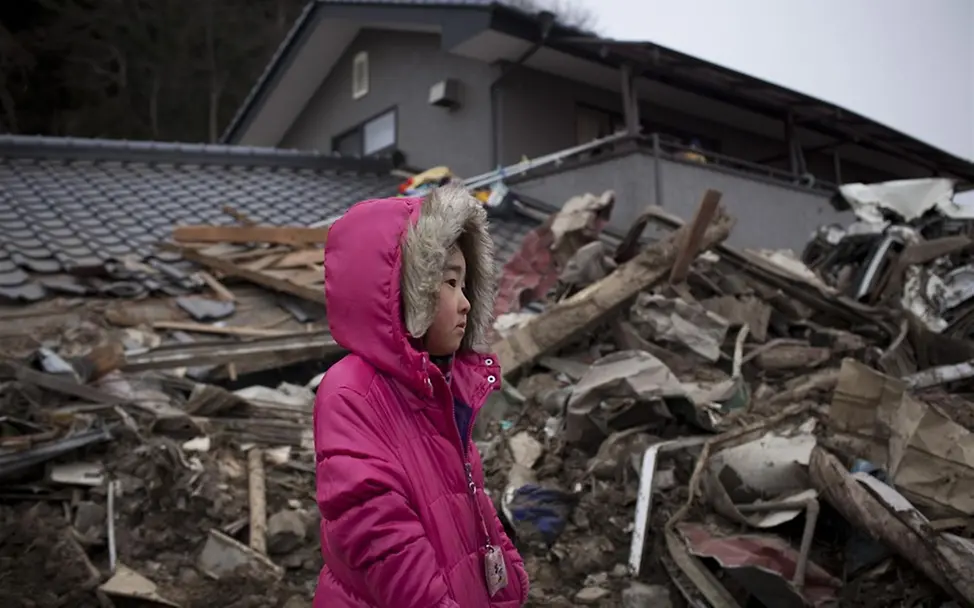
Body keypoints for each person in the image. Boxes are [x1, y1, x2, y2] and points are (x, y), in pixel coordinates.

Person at [312, 183, 529, 608]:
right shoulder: (352, 392)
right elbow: (383, 539)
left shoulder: (439, 391)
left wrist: (510, 578)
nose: (465, 303)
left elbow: (471, 498)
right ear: (404, 290)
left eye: (467, 285)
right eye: (449, 282)